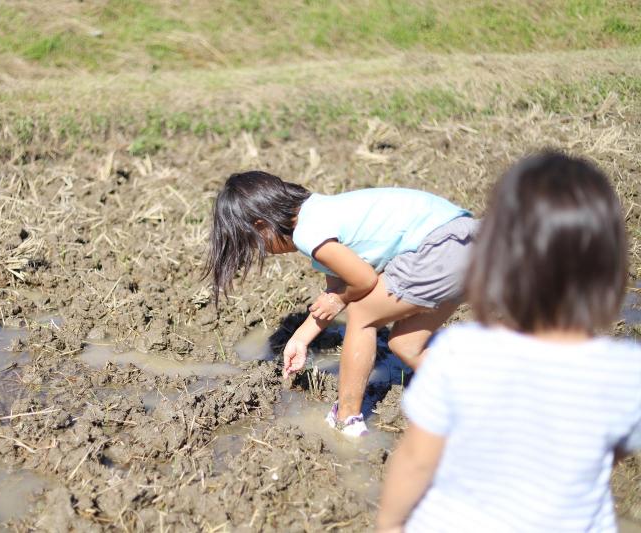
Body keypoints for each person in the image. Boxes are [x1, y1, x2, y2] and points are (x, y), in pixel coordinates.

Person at [375, 151, 641, 532]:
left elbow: (418, 458)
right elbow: (611, 452)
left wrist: (389, 524)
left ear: (495, 261)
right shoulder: (628, 371)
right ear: (610, 267)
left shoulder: (458, 352)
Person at [204, 171, 477, 436]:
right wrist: (301, 338)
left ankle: (346, 419)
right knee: (405, 345)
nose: (263, 252)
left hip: (441, 245)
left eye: (255, 245)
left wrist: (341, 299)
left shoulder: (308, 234)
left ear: (262, 226)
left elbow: (362, 281)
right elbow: (336, 287)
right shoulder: (321, 211)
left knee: (362, 314)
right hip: (470, 243)